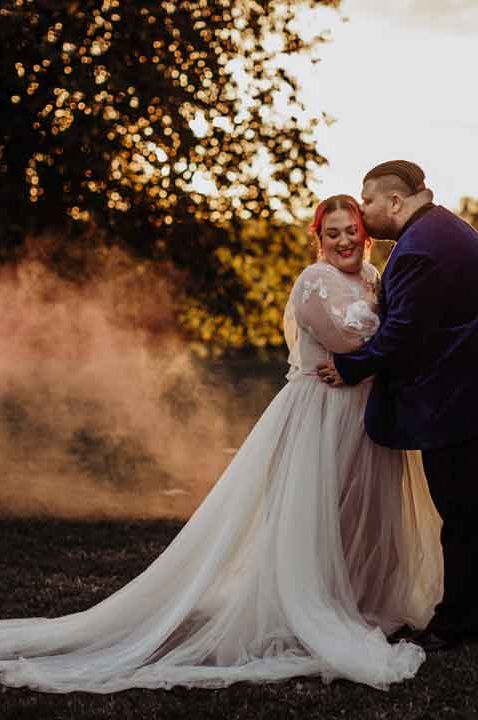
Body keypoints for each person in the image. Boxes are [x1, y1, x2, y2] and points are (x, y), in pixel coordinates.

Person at [0, 195, 442, 694]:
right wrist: (401, 336)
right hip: (320, 415)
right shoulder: (313, 281)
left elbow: (381, 345)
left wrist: (395, 340)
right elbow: (349, 343)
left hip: (365, 414)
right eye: (332, 232)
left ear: (365, 234)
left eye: (352, 231)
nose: (344, 241)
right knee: (315, 512)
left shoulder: (372, 278)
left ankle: (362, 601)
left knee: (362, 511)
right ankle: (310, 604)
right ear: (318, 238)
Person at [319, 161, 478, 652]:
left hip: (453, 401)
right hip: (464, 393)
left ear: (394, 201)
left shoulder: (418, 249)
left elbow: (404, 333)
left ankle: (457, 624)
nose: (363, 213)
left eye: (366, 202)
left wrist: (350, 368)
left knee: (463, 515)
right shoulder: (449, 228)